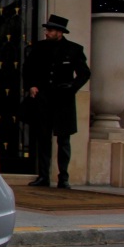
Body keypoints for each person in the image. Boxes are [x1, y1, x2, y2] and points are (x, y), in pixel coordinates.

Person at [22, 14, 90, 189]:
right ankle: (44, 176)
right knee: (43, 138)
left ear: (60, 32)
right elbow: (28, 69)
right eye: (47, 29)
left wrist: (72, 88)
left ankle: (63, 178)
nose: (47, 33)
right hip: (44, 97)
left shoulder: (74, 49)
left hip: (63, 99)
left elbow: (84, 73)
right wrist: (31, 85)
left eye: (50, 30)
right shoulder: (38, 48)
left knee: (64, 140)